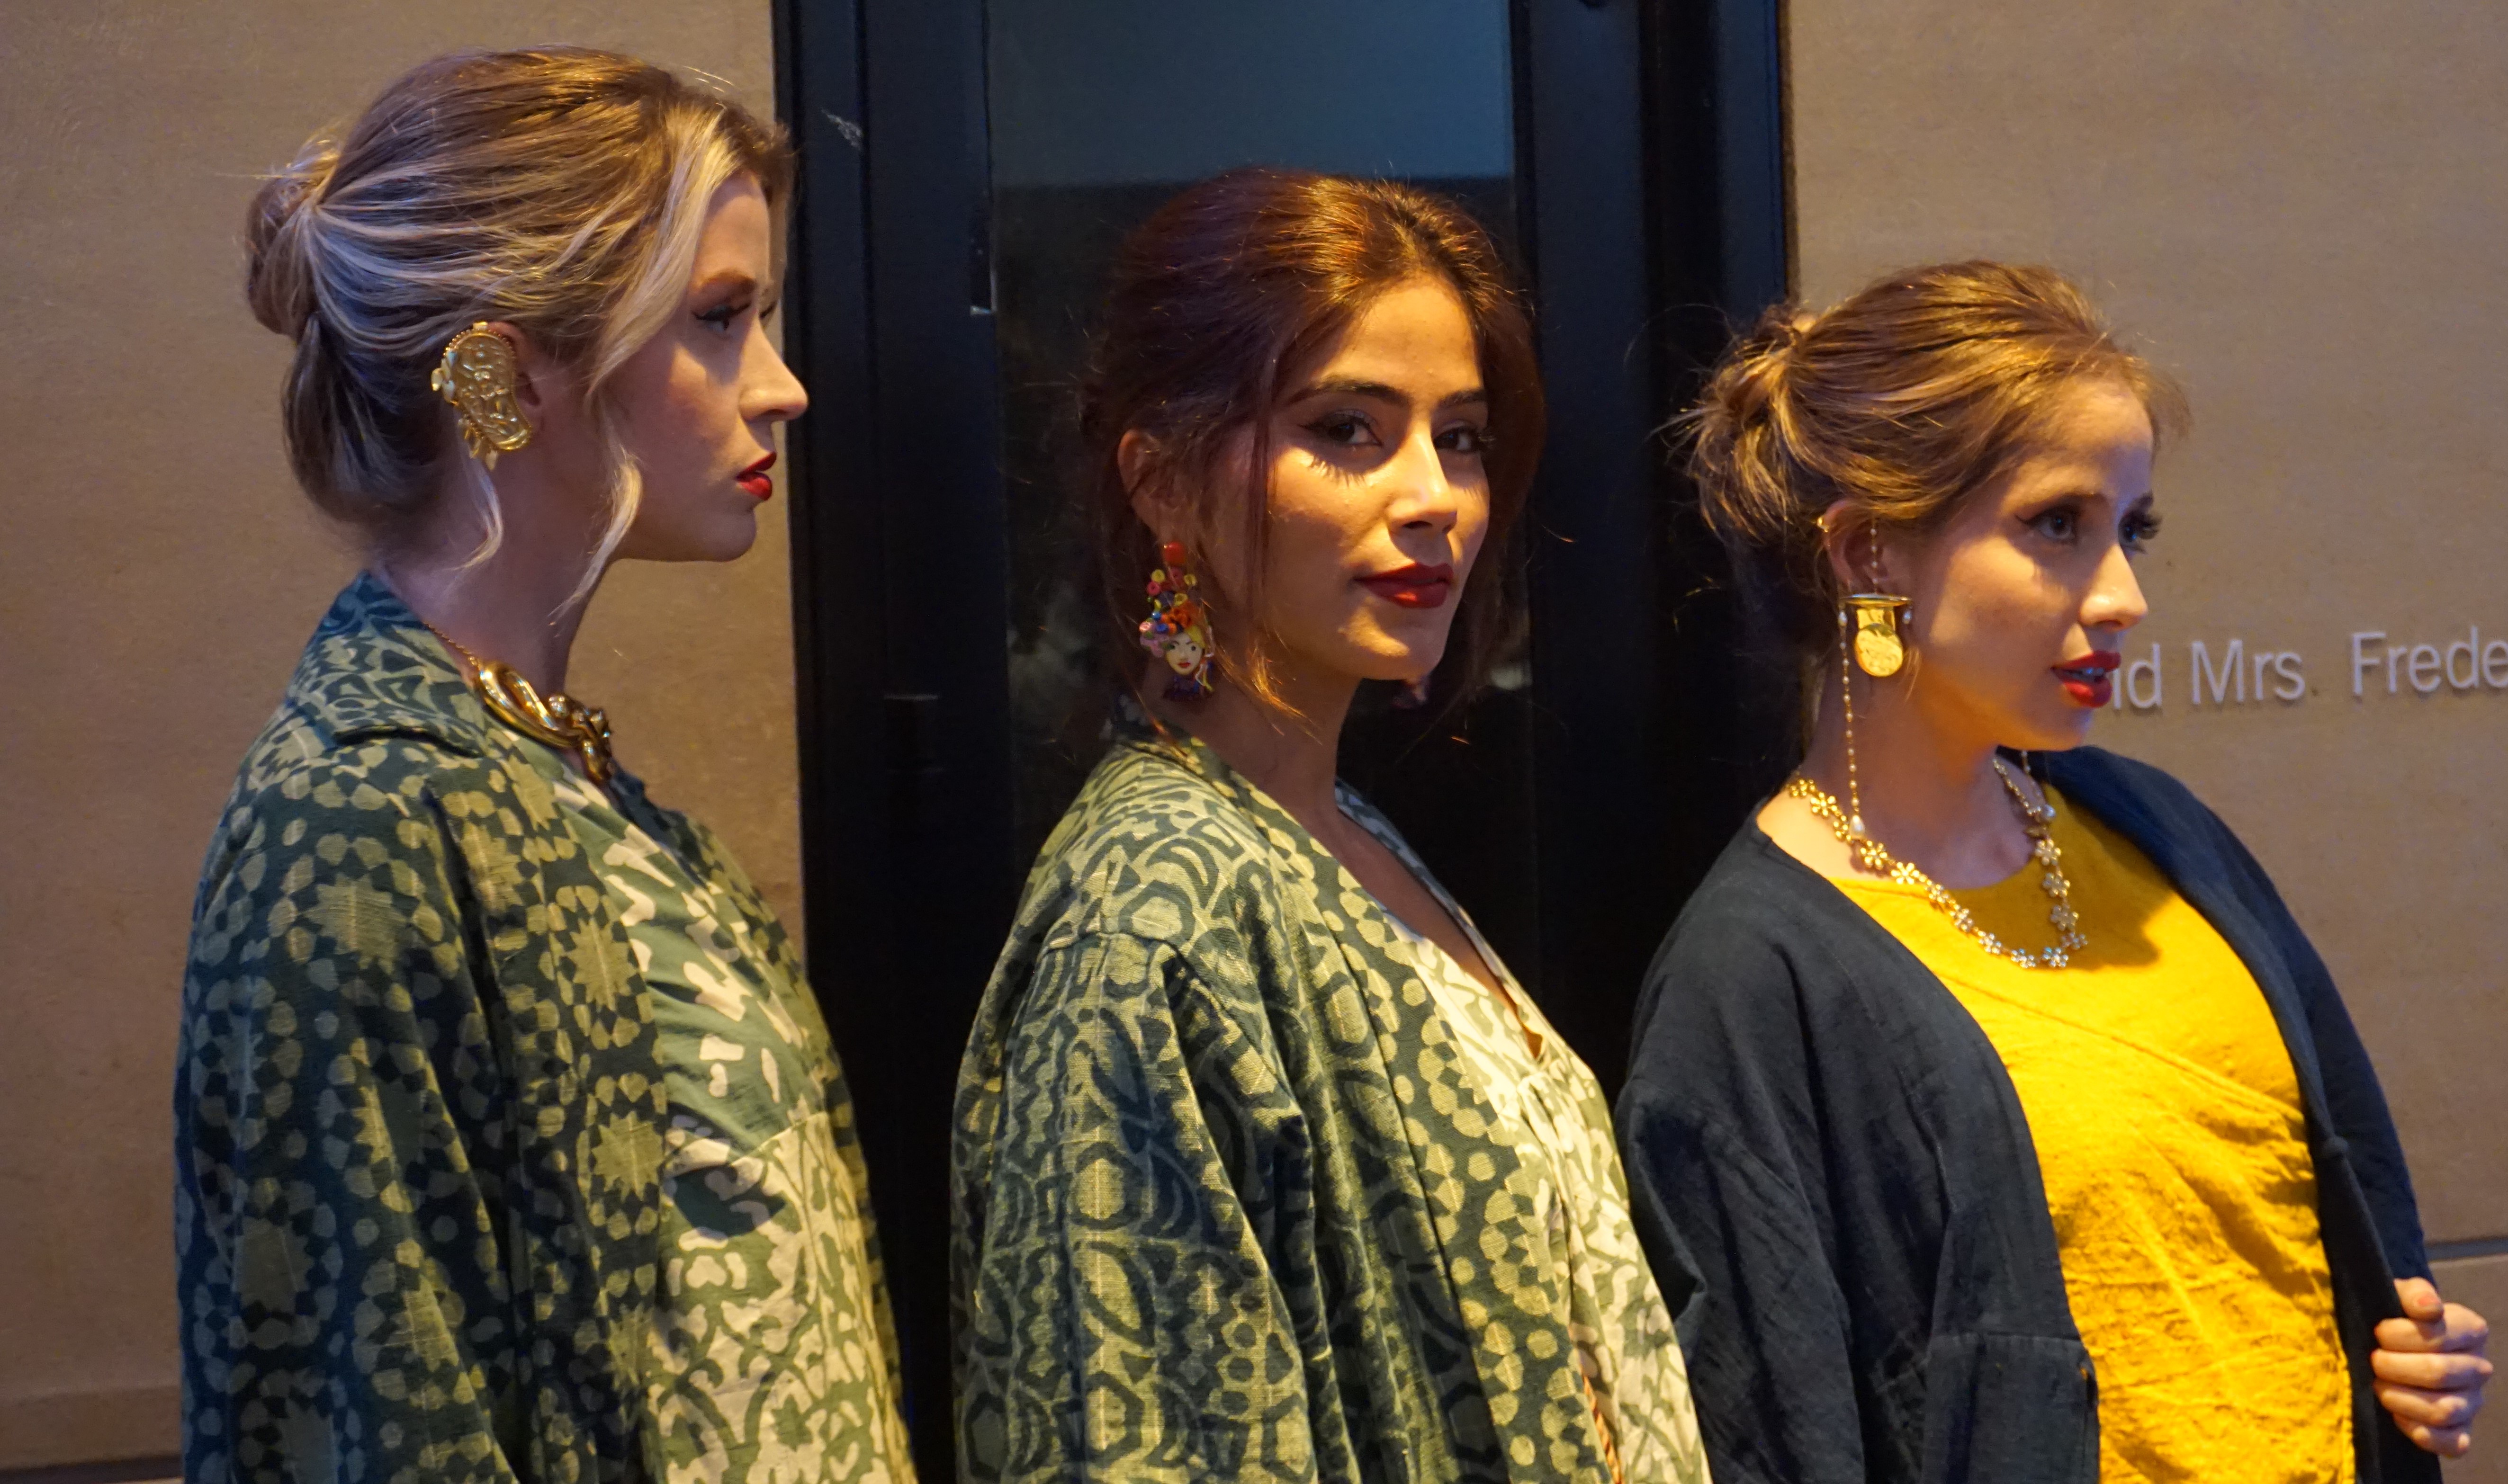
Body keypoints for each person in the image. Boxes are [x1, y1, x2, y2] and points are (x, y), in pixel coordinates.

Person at [1619, 261, 2490, 1484]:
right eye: (2057, 527)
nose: (2126, 596)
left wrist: (2404, 1349)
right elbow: (1779, 1426)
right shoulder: (1755, 978)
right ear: (1871, 552)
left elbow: (2301, 1231)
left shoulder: (2159, 832)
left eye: (2132, 528)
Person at [177, 49, 914, 1484]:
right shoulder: (363, 819)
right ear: (503, 380)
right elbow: (385, 1414)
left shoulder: (543, 768)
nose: (785, 388)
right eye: (719, 321)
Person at [949, 169, 1711, 1484]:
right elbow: (1143, 1436)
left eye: (1461, 436)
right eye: (1349, 429)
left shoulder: (1342, 828)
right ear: (1166, 479)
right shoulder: (1157, 900)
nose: (1434, 496)